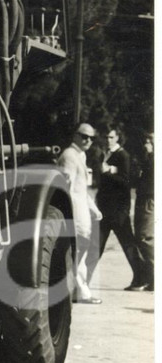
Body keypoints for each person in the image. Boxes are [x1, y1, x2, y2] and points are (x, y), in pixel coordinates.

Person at [91, 125, 142, 289]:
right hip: (105, 208)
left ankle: (142, 278)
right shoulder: (104, 154)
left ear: (118, 138)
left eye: (111, 137)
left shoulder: (123, 155)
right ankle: (82, 281)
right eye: (106, 137)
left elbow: (126, 181)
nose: (108, 140)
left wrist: (109, 171)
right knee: (97, 245)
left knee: (127, 245)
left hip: (119, 209)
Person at [58, 122, 102, 303]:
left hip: (83, 213)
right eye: (84, 136)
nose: (88, 140)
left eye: (91, 138)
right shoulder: (69, 156)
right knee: (77, 253)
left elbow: (82, 189)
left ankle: (80, 292)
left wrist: (94, 209)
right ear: (75, 135)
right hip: (75, 215)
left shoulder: (80, 155)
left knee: (80, 254)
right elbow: (66, 187)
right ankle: (81, 293)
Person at [130, 132, 154, 292]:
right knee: (141, 237)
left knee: (145, 237)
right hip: (143, 198)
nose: (146, 143)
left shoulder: (154, 159)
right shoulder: (149, 158)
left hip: (149, 199)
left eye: (149, 141)